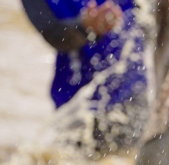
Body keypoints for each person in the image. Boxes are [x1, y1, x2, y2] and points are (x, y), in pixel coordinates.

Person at [22, 0, 149, 155]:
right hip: (77, 105)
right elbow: (54, 34)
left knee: (132, 160)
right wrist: (84, 28)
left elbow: (155, 18)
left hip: (132, 92)